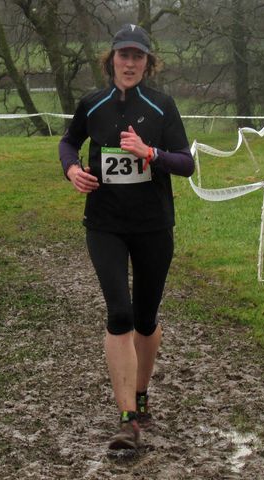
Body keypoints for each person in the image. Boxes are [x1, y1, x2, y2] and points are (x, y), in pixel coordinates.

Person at [58, 24, 194, 451]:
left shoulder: (161, 106)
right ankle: (127, 418)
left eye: (138, 57)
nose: (130, 64)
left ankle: (141, 391)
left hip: (153, 225)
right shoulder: (92, 104)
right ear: (111, 59)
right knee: (120, 313)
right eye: (124, 55)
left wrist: (150, 153)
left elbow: (186, 163)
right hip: (105, 225)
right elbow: (68, 142)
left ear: (147, 63)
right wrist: (72, 169)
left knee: (145, 318)